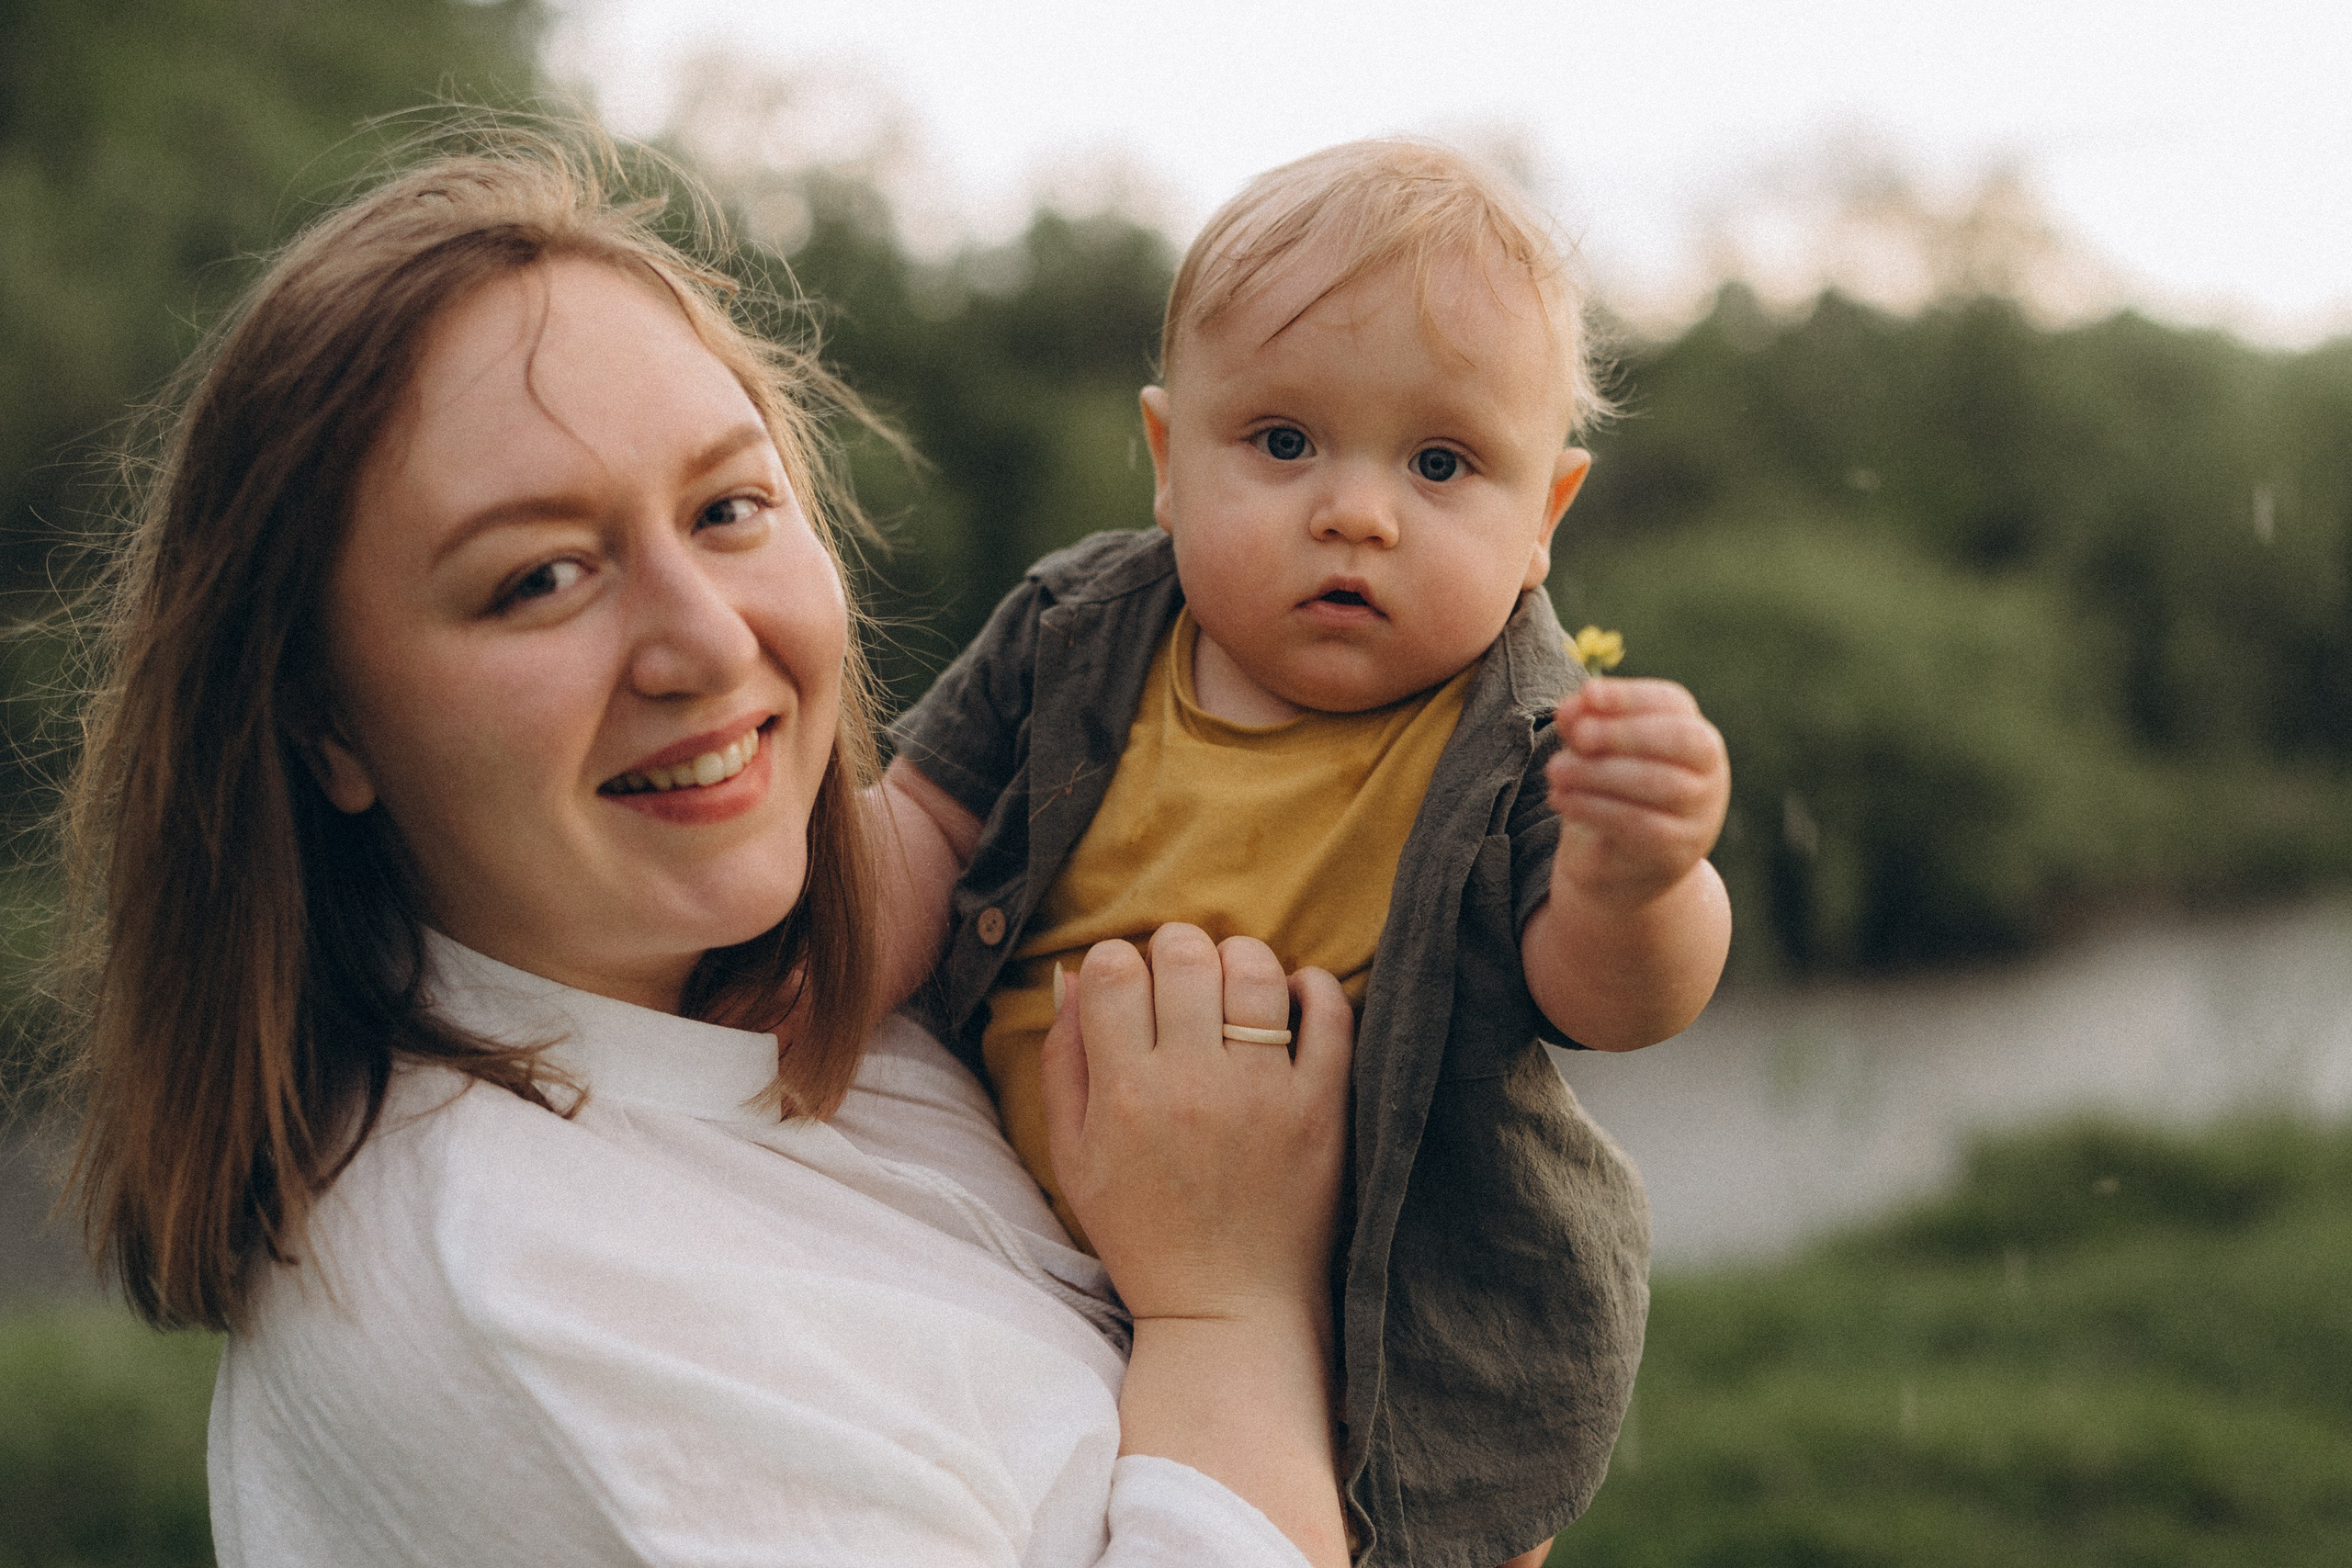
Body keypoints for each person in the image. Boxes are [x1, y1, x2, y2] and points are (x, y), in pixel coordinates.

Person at [56, 129, 1360, 1567]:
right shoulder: (519, 1292)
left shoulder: (828, 998)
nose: (705, 640)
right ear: (326, 728)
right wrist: (1233, 1305)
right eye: (539, 577)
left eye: (728, 509)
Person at [876, 140, 1733, 1567]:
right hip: (1037, 1258)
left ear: (1545, 520)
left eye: (1442, 462)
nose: (1354, 509)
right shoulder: (1073, 635)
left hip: (1394, 1342)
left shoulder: (1526, 742)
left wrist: (1636, 878)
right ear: (1166, 459)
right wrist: (780, 974)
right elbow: (910, 834)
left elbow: (1609, 1002)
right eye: (1281, 443)